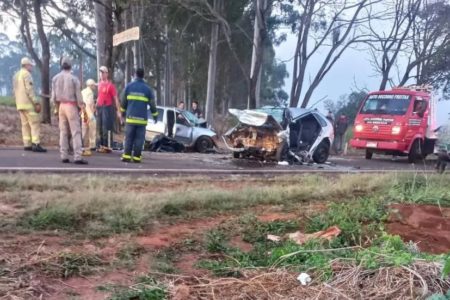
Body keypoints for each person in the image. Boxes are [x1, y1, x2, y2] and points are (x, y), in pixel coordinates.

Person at [51, 57, 87, 164]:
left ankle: (64, 155)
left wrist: (56, 108)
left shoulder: (55, 78)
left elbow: (53, 97)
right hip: (71, 106)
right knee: (76, 132)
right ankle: (78, 156)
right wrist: (82, 107)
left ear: (62, 65)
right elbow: (79, 97)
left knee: (63, 132)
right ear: (70, 66)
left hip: (61, 105)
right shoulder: (74, 79)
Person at [120, 68, 158, 163]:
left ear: (135, 75)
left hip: (130, 119)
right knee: (139, 139)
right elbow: (152, 105)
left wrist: (122, 114)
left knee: (129, 138)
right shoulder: (147, 89)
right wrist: (155, 116)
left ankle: (127, 156)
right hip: (142, 120)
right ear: (143, 76)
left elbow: (123, 103)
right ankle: (137, 158)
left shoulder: (128, 87)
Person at [12, 57, 47, 152]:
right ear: (27, 65)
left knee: (25, 125)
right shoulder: (27, 74)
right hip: (28, 104)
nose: (31, 67)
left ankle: (27, 144)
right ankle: (36, 143)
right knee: (34, 124)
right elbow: (29, 90)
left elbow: (14, 91)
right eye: (31, 65)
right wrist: (36, 102)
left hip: (19, 104)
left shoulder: (16, 75)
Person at [97, 66, 121, 153]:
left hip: (107, 108)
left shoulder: (110, 86)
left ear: (107, 74)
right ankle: (101, 145)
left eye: (103, 72)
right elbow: (99, 97)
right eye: (100, 72)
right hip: (99, 107)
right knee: (100, 126)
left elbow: (116, 98)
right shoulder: (99, 84)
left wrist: (118, 111)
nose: (101, 74)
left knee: (106, 127)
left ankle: (107, 146)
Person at [81, 79, 97, 156]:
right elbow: (90, 104)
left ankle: (82, 143)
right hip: (89, 113)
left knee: (84, 129)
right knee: (92, 128)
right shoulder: (90, 93)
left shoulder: (83, 91)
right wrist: (93, 112)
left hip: (83, 113)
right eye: (94, 85)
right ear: (91, 86)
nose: (94, 87)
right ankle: (92, 145)